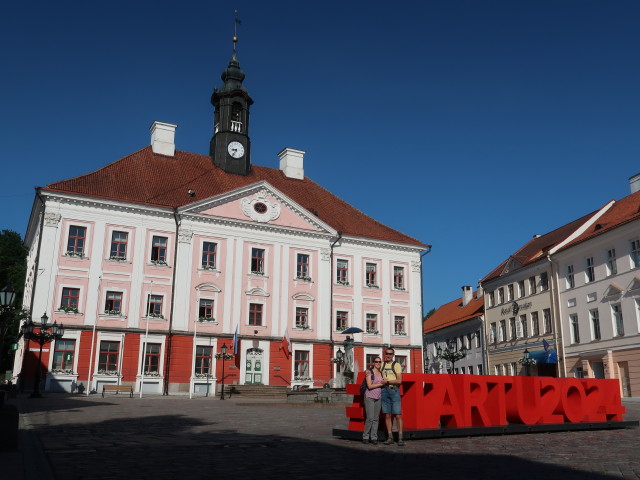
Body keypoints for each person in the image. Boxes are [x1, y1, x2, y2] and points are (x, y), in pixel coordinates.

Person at [381, 346, 404, 446]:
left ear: (393, 355)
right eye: (387, 354)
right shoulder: (382, 365)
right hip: (384, 391)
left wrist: (388, 381)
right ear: (385, 355)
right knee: (387, 415)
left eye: (390, 354)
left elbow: (399, 380)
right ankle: (390, 437)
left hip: (394, 390)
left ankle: (400, 438)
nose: (388, 355)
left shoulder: (397, 365)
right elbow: (375, 372)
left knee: (398, 415)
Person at [362, 356, 386, 444]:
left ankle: (374, 437)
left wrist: (385, 382)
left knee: (376, 419)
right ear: (373, 363)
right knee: (370, 418)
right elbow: (369, 386)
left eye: (379, 362)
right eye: (376, 362)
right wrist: (380, 384)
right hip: (369, 397)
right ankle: (365, 436)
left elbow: (385, 381)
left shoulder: (382, 373)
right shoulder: (369, 373)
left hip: (378, 397)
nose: (378, 363)